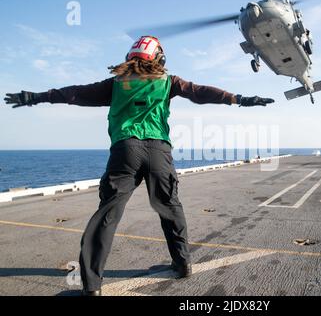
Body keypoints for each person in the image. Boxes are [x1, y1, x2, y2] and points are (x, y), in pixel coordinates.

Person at [4, 36, 275, 296]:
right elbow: (200, 93)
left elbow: (74, 93)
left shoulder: (116, 84)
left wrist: (35, 97)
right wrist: (240, 99)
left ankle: (92, 285)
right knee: (170, 207)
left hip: (125, 151)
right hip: (159, 151)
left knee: (107, 216)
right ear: (159, 58)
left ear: (131, 58)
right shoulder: (169, 81)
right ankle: (182, 265)